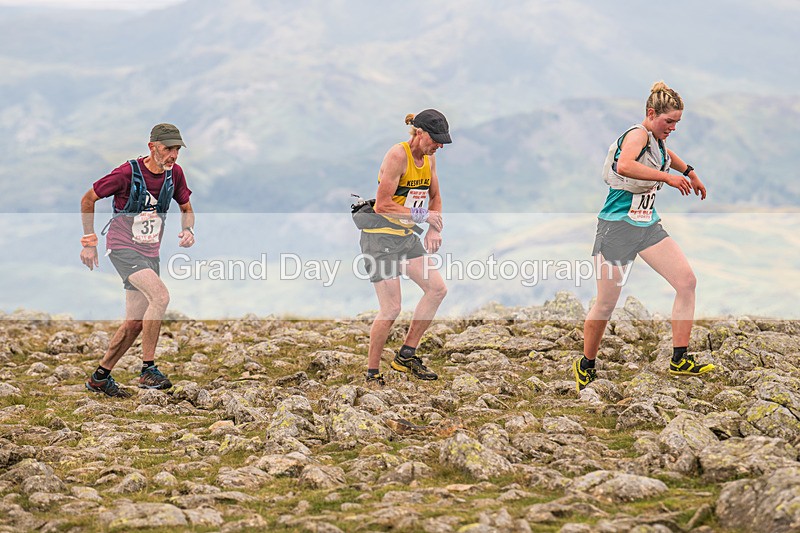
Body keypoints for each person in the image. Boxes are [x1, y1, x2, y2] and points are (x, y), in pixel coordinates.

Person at [574, 82, 715, 392]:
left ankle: (680, 358)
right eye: (669, 122)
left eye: (677, 122)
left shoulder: (656, 139)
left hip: (647, 226)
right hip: (617, 227)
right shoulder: (637, 134)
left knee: (686, 282)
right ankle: (586, 364)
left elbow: (666, 155)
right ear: (652, 114)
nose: (673, 128)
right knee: (606, 304)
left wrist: (690, 171)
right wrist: (668, 177)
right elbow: (625, 164)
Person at [79, 123, 195, 398]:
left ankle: (100, 377)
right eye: (168, 149)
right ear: (152, 147)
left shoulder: (174, 174)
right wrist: (89, 242)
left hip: (150, 253)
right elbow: (88, 199)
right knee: (161, 297)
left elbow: (186, 208)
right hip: (122, 248)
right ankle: (148, 370)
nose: (173, 155)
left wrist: (188, 229)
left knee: (134, 322)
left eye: (177, 149)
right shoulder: (126, 173)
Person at [359, 109, 451, 386]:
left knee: (437, 289)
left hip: (405, 235)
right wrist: (424, 218)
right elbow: (383, 204)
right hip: (380, 237)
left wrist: (434, 227)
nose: (440, 145)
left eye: (443, 141)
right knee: (391, 309)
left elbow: (435, 197)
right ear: (420, 133)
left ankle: (406, 356)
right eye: (435, 139)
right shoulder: (397, 155)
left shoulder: (430, 160)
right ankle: (372, 373)